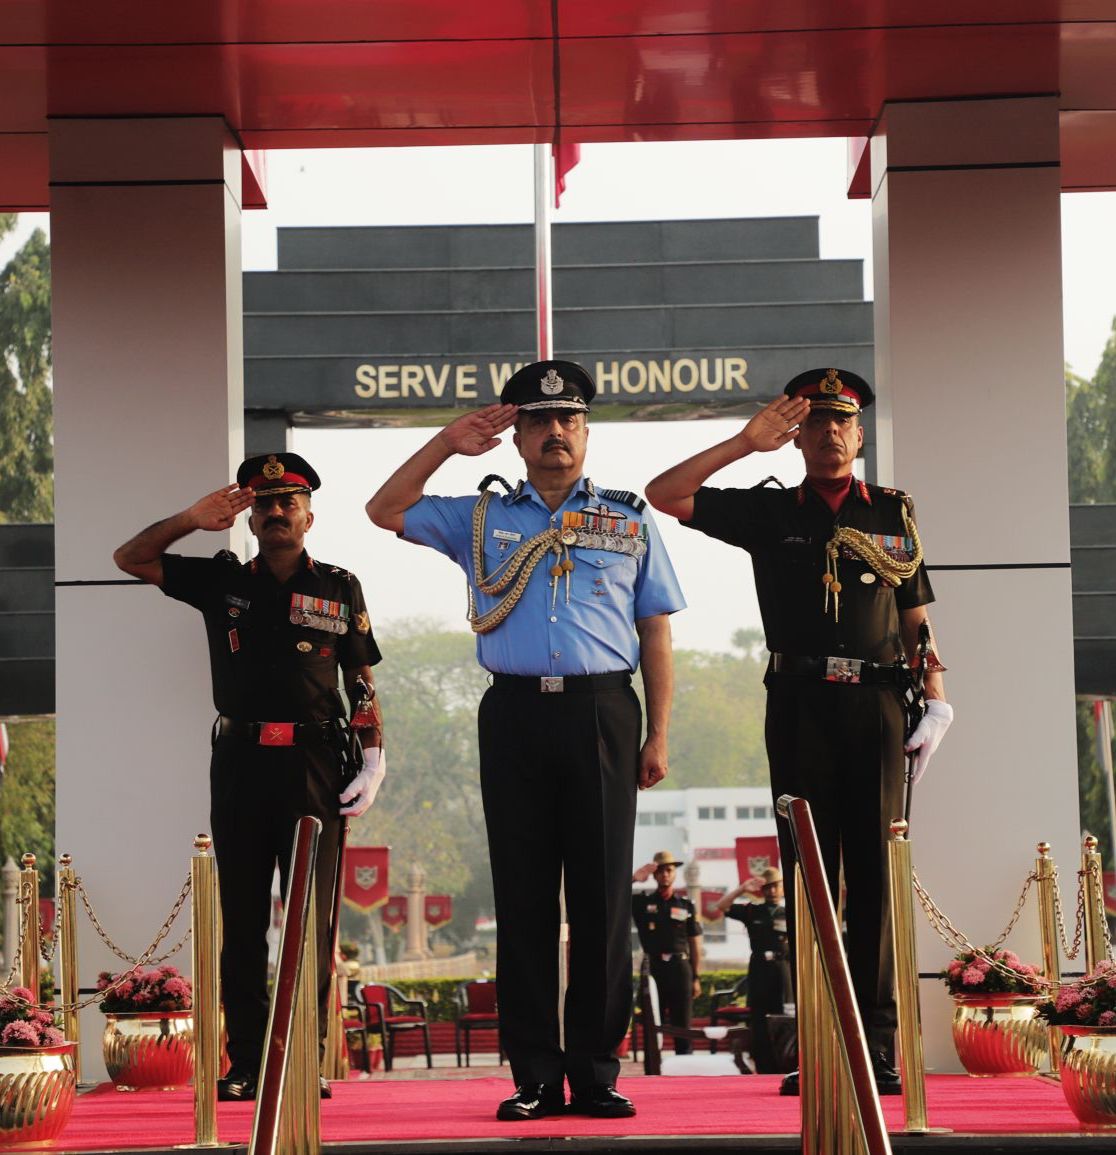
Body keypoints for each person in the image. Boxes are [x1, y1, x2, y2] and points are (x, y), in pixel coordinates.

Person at [366, 359, 685, 1120]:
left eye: (567, 419)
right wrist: (447, 442)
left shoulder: (627, 519)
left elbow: (655, 630)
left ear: (586, 430)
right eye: (539, 422)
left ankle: (596, 1072)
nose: (554, 433)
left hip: (602, 710)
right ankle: (535, 1074)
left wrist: (658, 733)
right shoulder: (482, 518)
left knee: (602, 899)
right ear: (518, 437)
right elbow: (385, 508)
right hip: (513, 713)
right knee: (524, 897)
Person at [645, 368, 953, 1095]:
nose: (829, 434)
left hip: (878, 705)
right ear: (797, 437)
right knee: (810, 875)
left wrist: (937, 697)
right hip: (798, 704)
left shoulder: (893, 510)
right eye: (814, 423)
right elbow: (666, 493)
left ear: (859, 434)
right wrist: (742, 443)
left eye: (841, 422)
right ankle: (820, 1045)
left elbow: (915, 615)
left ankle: (876, 1051)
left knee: (875, 880)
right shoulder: (770, 509)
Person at [113, 452, 386, 1102]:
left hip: (315, 763)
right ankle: (247, 1063)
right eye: (264, 503)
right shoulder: (222, 579)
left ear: (309, 516)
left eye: (289, 502)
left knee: (310, 920)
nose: (276, 511)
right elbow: (131, 557)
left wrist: (375, 757)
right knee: (242, 921)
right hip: (241, 761)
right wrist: (191, 517)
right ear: (250, 516)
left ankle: (302, 1060)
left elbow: (360, 679)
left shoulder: (339, 586)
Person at [716, 867, 790, 1073]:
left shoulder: (790, 912)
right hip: (759, 968)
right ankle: (762, 1064)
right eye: (767, 887)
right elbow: (722, 906)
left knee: (783, 1015)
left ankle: (783, 1062)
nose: (772, 891)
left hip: (783, 968)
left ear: (782, 888)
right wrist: (742, 889)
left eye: (775, 886)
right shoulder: (752, 910)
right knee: (759, 1017)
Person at [631, 850, 702, 1055]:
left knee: (683, 1023)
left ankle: (685, 1063)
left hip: (680, 967)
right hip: (654, 967)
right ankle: (653, 1066)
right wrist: (634, 878)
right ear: (654, 875)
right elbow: (614, 896)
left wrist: (696, 976)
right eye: (660, 871)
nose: (665, 874)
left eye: (669, 870)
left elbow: (695, 942)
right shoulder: (643, 902)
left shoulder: (686, 905)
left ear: (675, 873)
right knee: (653, 1019)